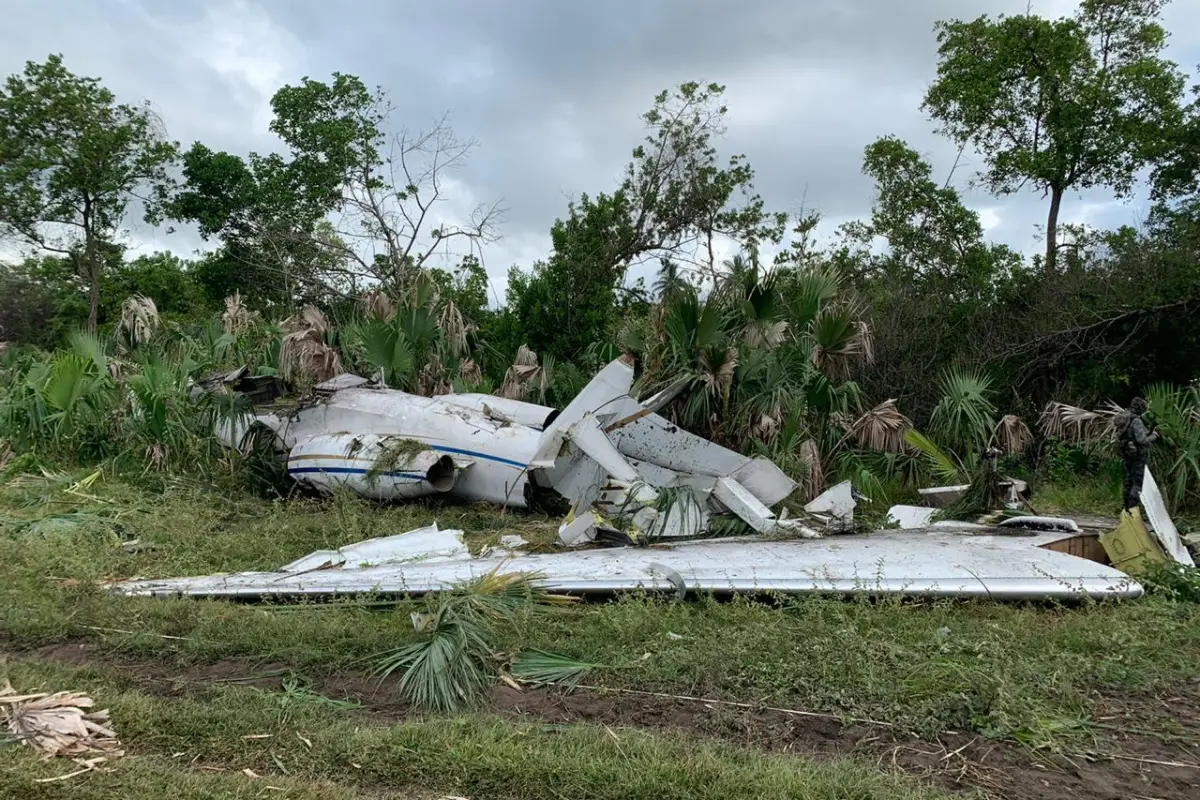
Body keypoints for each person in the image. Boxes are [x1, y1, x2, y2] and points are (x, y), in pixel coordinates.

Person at [1118, 397, 1158, 512]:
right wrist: (1154, 436)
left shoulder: (1125, 417)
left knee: (1127, 482)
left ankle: (1125, 509)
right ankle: (1132, 509)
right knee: (1137, 483)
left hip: (1126, 453)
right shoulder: (1136, 420)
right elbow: (1141, 440)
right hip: (1138, 456)